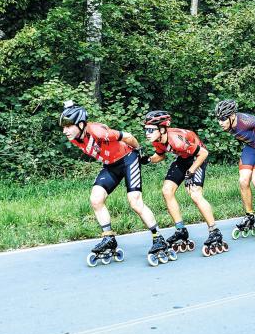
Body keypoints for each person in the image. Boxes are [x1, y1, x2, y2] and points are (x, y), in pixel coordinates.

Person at [59, 101, 174, 267]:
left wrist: (138, 150)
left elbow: (128, 136)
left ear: (81, 124)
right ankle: (109, 238)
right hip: (110, 165)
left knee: (135, 202)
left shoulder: (98, 132)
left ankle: (158, 238)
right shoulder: (75, 138)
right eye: (64, 127)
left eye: (68, 126)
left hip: (128, 159)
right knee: (96, 199)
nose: (65, 131)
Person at [140, 110, 227, 256]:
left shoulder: (177, 140)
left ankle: (214, 231)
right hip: (183, 158)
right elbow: (160, 155)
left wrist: (191, 172)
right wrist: (148, 159)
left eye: (150, 130)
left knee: (194, 194)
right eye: (146, 130)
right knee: (167, 191)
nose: (147, 133)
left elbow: (204, 153)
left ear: (162, 129)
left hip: (198, 158)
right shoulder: (157, 140)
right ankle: (181, 230)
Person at [216, 100, 255, 241]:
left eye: (223, 118)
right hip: (250, 147)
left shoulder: (246, 121)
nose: (220, 122)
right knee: (243, 180)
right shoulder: (228, 124)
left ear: (232, 116)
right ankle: (249, 216)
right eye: (218, 119)